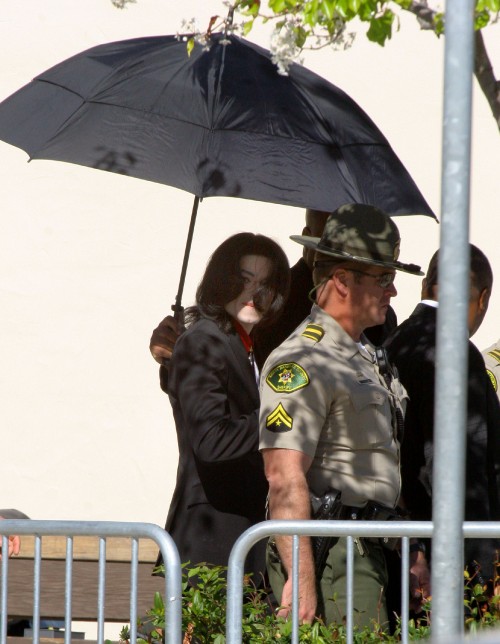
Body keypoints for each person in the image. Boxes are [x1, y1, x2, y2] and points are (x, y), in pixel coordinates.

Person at [258, 203, 429, 629]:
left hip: (367, 548)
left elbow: (379, 459)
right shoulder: (302, 359)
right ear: (341, 281)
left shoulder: (366, 355)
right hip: (331, 554)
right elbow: (283, 477)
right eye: (384, 278)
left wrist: (409, 546)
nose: (393, 291)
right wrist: (302, 582)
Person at [158, 232, 290, 580]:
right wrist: (282, 417)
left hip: (240, 538)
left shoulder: (248, 345)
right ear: (220, 280)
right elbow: (212, 440)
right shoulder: (204, 340)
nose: (252, 293)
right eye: (243, 280)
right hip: (210, 541)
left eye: (265, 284)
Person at [149, 209, 398, 377]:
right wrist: (174, 355)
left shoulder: (379, 312)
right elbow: (214, 363)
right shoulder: (269, 295)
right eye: (329, 243)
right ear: (309, 238)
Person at [384, 244, 500, 592]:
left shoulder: (395, 341)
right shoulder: (456, 350)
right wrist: (482, 567)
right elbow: (461, 465)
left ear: (426, 287)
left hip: (408, 543)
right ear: (482, 299)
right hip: (445, 554)